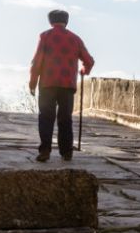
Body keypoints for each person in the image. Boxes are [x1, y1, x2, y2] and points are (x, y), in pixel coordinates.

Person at [28, 9, 94, 162]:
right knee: (65, 119)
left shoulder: (45, 36)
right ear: (66, 21)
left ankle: (45, 150)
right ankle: (66, 152)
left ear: (51, 21)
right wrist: (84, 71)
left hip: (47, 83)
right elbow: (89, 61)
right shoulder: (75, 39)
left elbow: (37, 61)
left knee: (46, 117)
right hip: (67, 85)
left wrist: (32, 82)